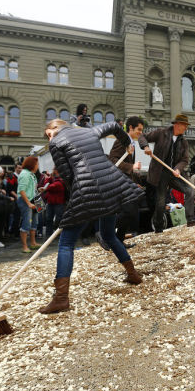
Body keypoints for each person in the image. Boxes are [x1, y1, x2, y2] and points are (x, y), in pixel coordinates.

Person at [39, 118, 144, 314]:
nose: (48, 137)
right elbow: (113, 125)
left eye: (48, 133)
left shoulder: (55, 142)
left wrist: (77, 199)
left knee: (66, 243)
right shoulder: (89, 132)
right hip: (113, 184)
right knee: (109, 235)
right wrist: (128, 143)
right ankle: (133, 274)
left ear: (53, 128)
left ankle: (61, 298)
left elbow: (67, 174)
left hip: (88, 188)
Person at [139, 114, 195, 232]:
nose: (186, 128)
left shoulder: (184, 142)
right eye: (184, 125)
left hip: (174, 173)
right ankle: (158, 226)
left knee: (190, 191)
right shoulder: (161, 133)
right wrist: (145, 147)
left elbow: (185, 159)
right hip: (160, 173)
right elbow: (142, 136)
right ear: (177, 124)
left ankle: (190, 219)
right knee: (161, 200)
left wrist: (178, 168)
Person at [108, 115, 145, 247]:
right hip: (118, 182)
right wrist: (131, 166)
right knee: (129, 210)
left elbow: (128, 166)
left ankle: (118, 240)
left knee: (131, 210)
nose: (141, 133)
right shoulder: (121, 141)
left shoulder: (131, 143)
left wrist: (135, 181)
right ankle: (106, 234)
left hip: (126, 182)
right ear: (130, 127)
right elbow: (113, 160)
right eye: (139, 130)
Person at [17, 156, 40, 253]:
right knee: (27, 223)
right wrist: (28, 203)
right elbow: (21, 190)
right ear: (32, 164)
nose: (38, 166)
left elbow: (30, 189)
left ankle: (33, 243)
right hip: (26, 201)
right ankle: (25, 246)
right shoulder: (25, 174)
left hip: (33, 200)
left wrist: (38, 190)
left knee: (34, 222)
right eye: (37, 164)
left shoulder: (31, 174)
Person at [39, 168, 67, 240]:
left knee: (59, 219)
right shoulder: (53, 178)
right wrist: (48, 179)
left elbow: (53, 186)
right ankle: (49, 234)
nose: (52, 171)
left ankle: (58, 233)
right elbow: (48, 185)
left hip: (59, 202)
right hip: (51, 202)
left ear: (56, 170)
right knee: (49, 218)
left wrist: (47, 180)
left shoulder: (61, 179)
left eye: (53, 169)